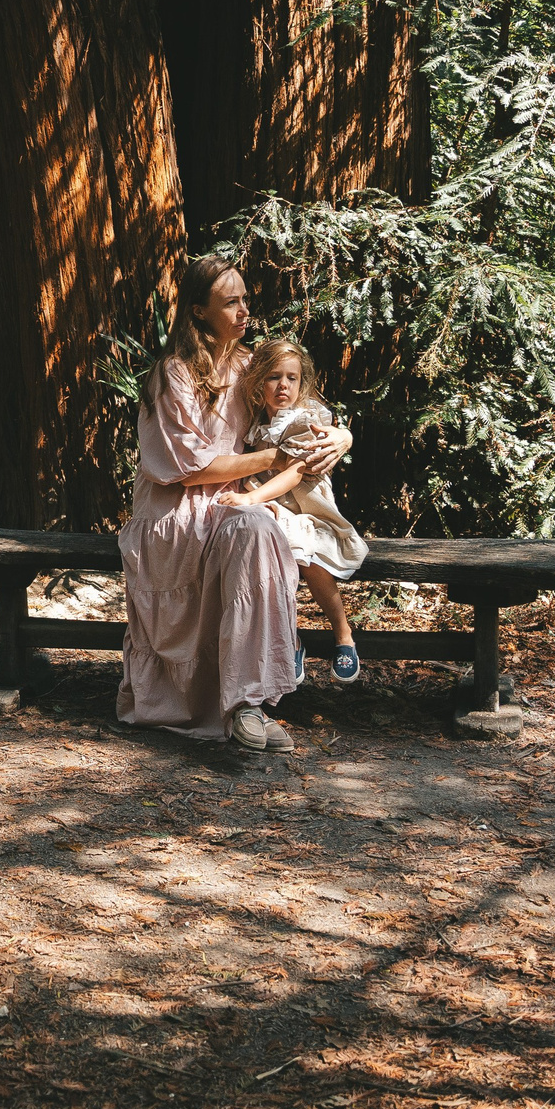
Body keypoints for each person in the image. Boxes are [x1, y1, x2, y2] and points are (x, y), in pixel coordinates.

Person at [116, 254, 348, 754]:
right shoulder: (171, 376)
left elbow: (304, 406)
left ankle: (249, 703)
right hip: (176, 511)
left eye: (246, 299)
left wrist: (341, 438)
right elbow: (192, 467)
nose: (245, 311)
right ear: (198, 311)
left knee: (258, 527)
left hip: (235, 504)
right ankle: (222, 703)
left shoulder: (250, 366)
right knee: (252, 522)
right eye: (231, 302)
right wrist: (274, 455)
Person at [242, 337, 369, 681]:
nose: (283, 385)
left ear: (302, 382)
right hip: (273, 506)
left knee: (311, 564)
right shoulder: (254, 419)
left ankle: (343, 635)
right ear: (258, 381)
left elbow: (295, 472)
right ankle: (290, 640)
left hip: (306, 506)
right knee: (275, 564)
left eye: (292, 378)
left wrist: (253, 499)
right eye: (273, 376)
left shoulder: (304, 420)